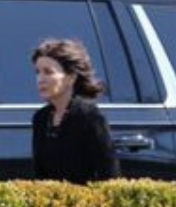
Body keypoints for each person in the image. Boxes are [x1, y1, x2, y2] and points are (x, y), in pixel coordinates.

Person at [30, 39, 119, 183]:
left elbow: (108, 173)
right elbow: (40, 176)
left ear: (71, 78)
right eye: (38, 72)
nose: (40, 79)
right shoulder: (41, 118)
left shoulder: (89, 116)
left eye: (48, 72)